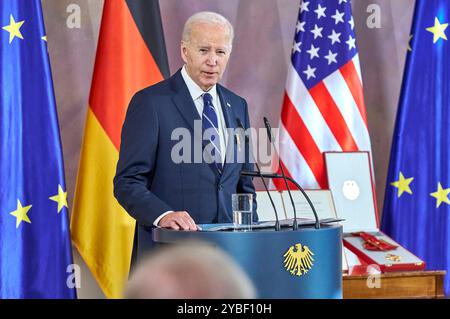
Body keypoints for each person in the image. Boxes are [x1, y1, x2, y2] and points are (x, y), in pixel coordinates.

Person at [113, 11, 257, 267]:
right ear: (184, 51)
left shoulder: (237, 106)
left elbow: (243, 186)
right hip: (170, 256)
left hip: (228, 260)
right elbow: (127, 182)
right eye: (204, 50)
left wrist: (252, 244)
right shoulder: (151, 103)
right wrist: (164, 215)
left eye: (221, 52)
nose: (213, 61)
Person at [124, 241, 257, 299]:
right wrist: (164, 215)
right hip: (171, 243)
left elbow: (244, 191)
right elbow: (129, 183)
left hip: (229, 245)